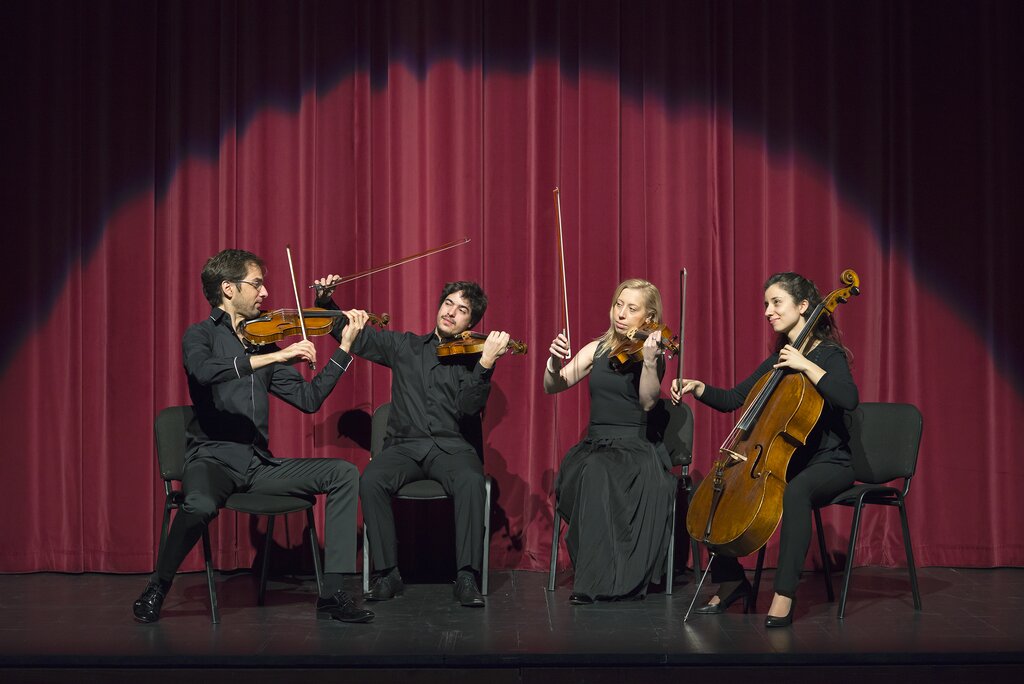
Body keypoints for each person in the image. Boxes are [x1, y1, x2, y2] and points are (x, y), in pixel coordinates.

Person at [133, 249, 374, 624]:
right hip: (212, 459)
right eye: (257, 283)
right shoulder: (200, 336)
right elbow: (204, 372)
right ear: (228, 288)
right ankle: (158, 585)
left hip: (259, 464)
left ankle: (332, 593)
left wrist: (343, 349)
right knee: (198, 505)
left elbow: (309, 400)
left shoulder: (262, 341)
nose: (265, 292)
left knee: (343, 473)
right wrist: (274, 358)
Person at [671, 271, 858, 627]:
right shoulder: (778, 359)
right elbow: (734, 399)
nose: (768, 312)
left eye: (776, 303)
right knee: (716, 488)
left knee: (798, 493)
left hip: (831, 460)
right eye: (766, 304)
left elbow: (849, 399)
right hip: (787, 458)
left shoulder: (828, 354)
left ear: (803, 307)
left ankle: (784, 594)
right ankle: (730, 582)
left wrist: (806, 365)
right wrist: (698, 387)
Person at [315, 277, 511, 607]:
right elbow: (357, 338)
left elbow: (468, 407)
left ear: (470, 322)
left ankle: (466, 576)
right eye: (448, 303)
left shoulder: (472, 360)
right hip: (404, 446)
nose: (451, 312)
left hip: (451, 448)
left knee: (471, 479)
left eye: (462, 310)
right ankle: (388, 573)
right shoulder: (404, 347)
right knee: (372, 479)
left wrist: (486, 364)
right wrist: (326, 303)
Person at [543, 279, 677, 604]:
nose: (621, 313)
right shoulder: (597, 349)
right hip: (595, 446)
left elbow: (648, 402)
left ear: (648, 318)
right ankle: (595, 574)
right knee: (592, 470)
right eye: (619, 304)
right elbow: (553, 386)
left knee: (597, 472)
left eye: (632, 309)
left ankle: (599, 581)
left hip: (635, 448)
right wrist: (553, 362)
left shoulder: (652, 353)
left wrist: (648, 361)